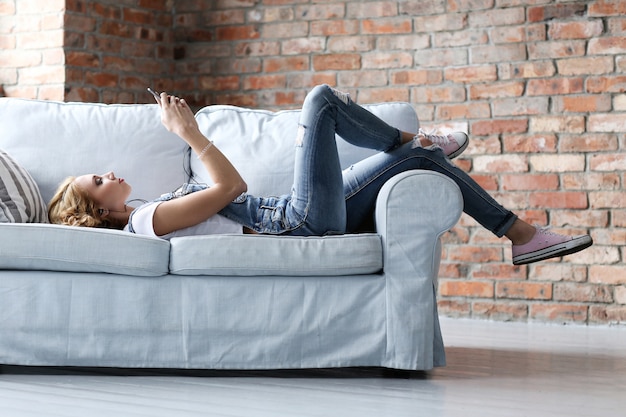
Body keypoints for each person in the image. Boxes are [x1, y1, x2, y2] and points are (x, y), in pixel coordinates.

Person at [48, 85, 592, 265]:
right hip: (298, 224)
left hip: (298, 215)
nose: (108, 172)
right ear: (99, 212)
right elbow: (230, 190)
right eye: (97, 180)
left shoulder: (149, 210)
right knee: (320, 101)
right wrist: (188, 132)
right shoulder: (145, 222)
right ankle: (411, 141)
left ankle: (520, 236)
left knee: (422, 163)